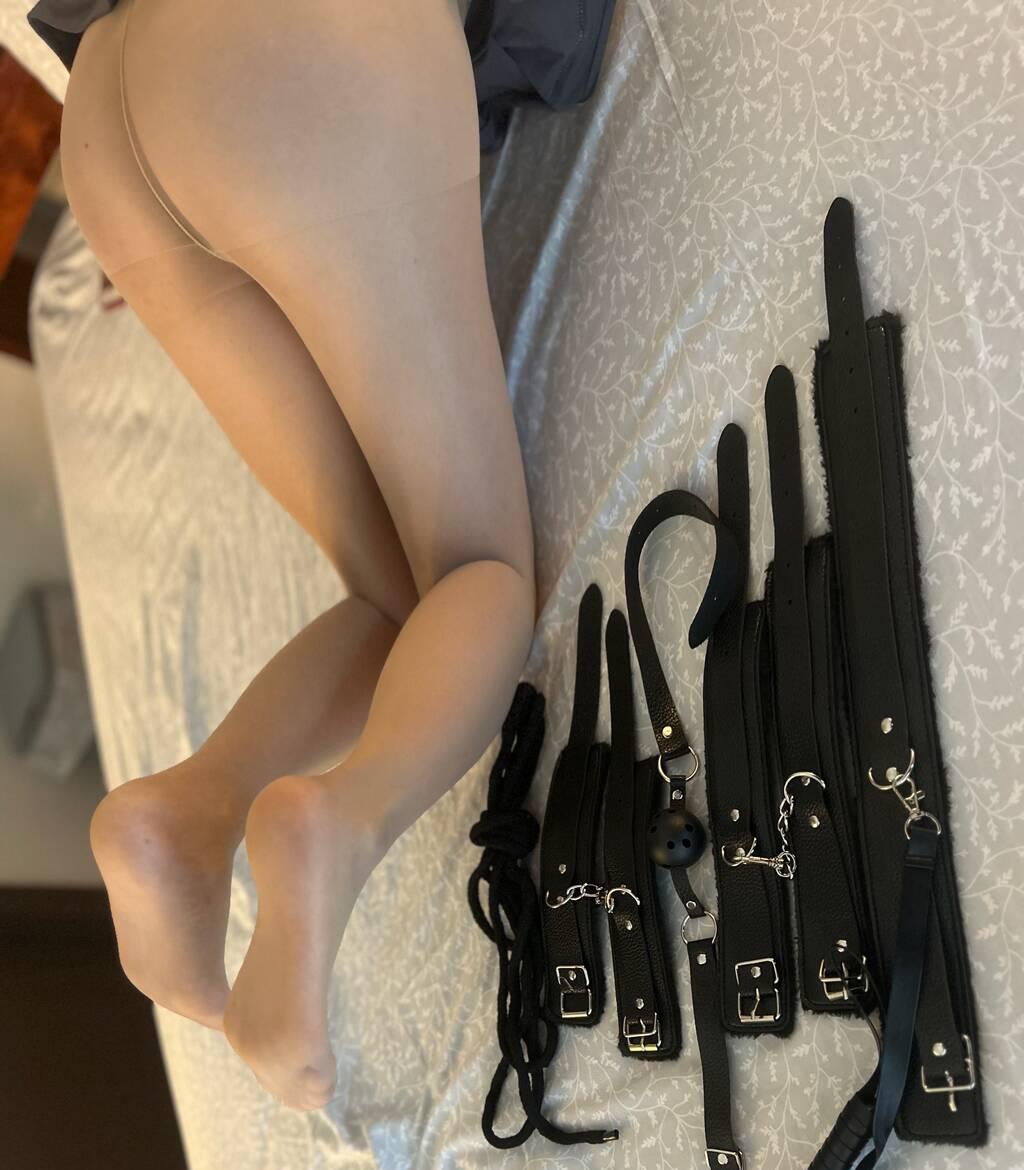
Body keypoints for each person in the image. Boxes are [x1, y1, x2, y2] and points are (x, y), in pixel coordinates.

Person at [49, 0, 536, 1111]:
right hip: (280, 53)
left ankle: (193, 811)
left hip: (112, 107)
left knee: (402, 600)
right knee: (479, 568)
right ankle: (340, 821)